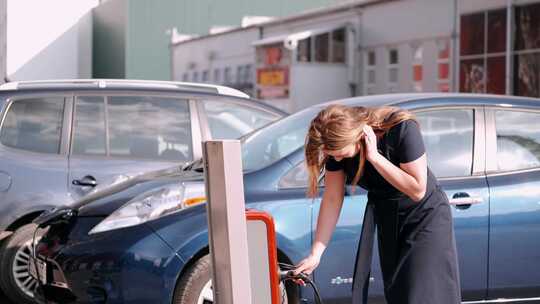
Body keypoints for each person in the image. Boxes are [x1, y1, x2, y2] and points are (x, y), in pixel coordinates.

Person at [293, 104, 461, 304]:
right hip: (388, 218)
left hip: (425, 217)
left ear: (357, 136)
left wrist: (375, 158)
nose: (336, 158)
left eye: (340, 153)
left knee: (422, 293)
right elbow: (332, 198)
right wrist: (316, 253)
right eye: (332, 154)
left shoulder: (401, 129)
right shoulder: (337, 150)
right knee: (399, 294)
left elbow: (417, 189)